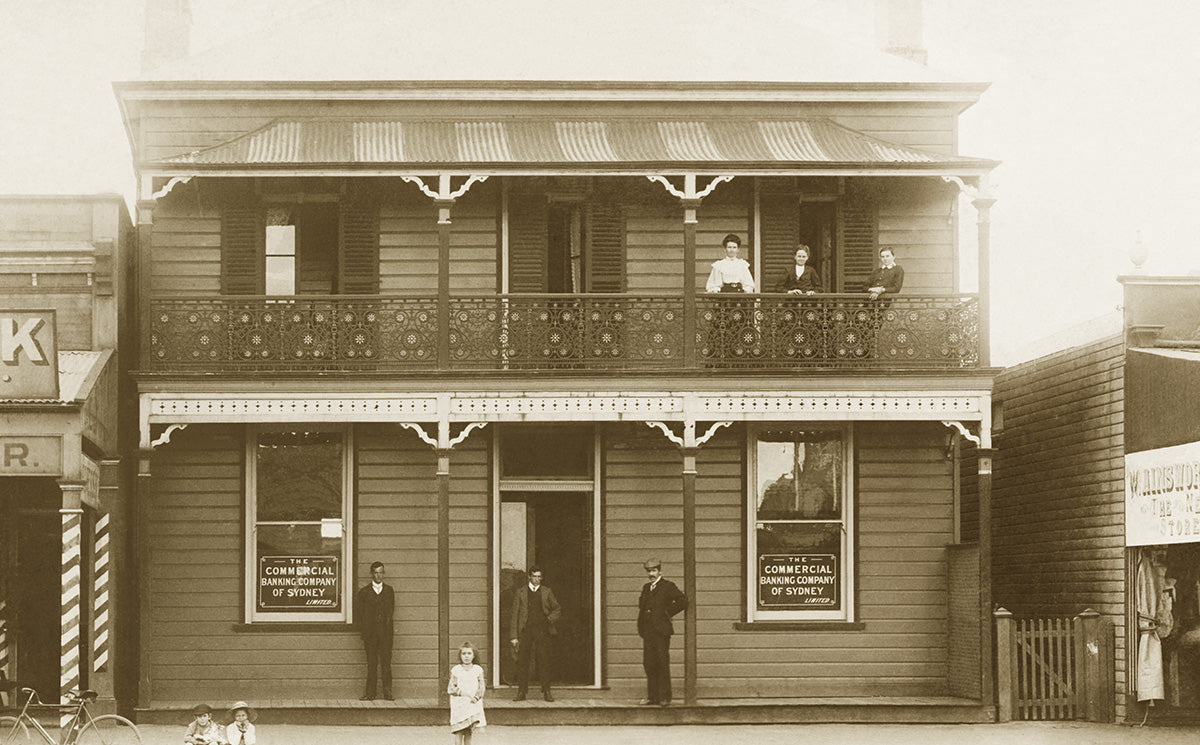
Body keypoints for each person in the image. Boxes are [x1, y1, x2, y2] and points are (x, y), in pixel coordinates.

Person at [637, 557, 688, 707]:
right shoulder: (646, 588)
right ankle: (652, 697)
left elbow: (683, 601)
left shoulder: (667, 586)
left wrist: (667, 613)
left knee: (662, 662)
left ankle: (665, 697)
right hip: (648, 632)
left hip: (661, 632)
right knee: (649, 663)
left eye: (654, 571)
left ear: (660, 571)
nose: (651, 574)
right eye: (649, 571)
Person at [509, 566, 562, 701]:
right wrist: (514, 636)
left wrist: (548, 620)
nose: (537, 579)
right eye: (535, 576)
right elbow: (515, 615)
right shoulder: (520, 592)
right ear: (529, 577)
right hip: (525, 631)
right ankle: (521, 692)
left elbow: (557, 609)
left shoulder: (546, 592)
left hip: (542, 631)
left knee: (544, 660)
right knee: (522, 661)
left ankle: (547, 691)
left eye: (539, 576)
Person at [355, 560, 395, 700]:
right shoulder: (364, 592)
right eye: (375, 573)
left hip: (385, 635)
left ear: (383, 574)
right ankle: (370, 693)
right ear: (371, 574)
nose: (378, 576)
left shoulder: (389, 591)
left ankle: (387, 693)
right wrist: (365, 631)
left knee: (386, 664)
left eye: (380, 573)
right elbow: (359, 614)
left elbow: (390, 611)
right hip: (370, 635)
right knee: (372, 664)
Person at [448, 641, 487, 745]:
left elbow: (481, 687)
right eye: (464, 654)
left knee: (468, 732)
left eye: (469, 654)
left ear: (474, 655)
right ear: (460, 655)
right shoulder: (456, 670)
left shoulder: (477, 670)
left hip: (472, 704)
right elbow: (451, 688)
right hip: (459, 705)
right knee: (459, 732)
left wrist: (476, 697)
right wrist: (462, 693)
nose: (466, 656)